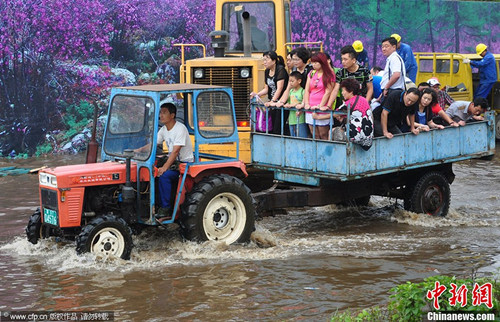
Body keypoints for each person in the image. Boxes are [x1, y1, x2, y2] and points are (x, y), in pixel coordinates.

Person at [136, 103, 194, 219]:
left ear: (172, 115)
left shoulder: (180, 129)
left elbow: (175, 151)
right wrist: (138, 150)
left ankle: (166, 209)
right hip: (173, 163)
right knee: (152, 173)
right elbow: (153, 144)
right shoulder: (163, 129)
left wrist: (164, 168)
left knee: (164, 175)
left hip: (184, 165)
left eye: (164, 112)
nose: (161, 115)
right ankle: (155, 205)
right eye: (160, 112)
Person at [250, 51, 289, 135]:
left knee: (277, 128)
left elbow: (280, 88)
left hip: (280, 102)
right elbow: (267, 88)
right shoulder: (267, 71)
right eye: (263, 60)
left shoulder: (280, 69)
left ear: (274, 61)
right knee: (271, 127)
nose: (264, 62)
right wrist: (257, 94)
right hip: (272, 103)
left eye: (266, 60)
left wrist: (273, 101)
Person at [326, 45, 373, 111]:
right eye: (342, 59)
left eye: (345, 59)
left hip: (363, 106)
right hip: (347, 106)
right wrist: (328, 106)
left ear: (353, 60)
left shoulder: (365, 71)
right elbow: (335, 90)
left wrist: (365, 103)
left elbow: (370, 89)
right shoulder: (340, 73)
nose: (343, 62)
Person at [303, 52, 335, 140]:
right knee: (314, 134)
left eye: (316, 62)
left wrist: (321, 106)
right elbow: (307, 90)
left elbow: (328, 91)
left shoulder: (329, 74)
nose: (313, 65)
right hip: (310, 108)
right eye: (312, 62)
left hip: (322, 108)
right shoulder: (311, 73)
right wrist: (306, 103)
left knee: (323, 134)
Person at [336, 78, 373, 150]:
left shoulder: (348, 103)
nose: (342, 93)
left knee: (333, 131)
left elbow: (334, 114)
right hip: (368, 138)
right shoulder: (364, 99)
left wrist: (317, 117)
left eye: (343, 90)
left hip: (356, 136)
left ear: (350, 91)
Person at [283, 71, 307, 138]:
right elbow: (288, 101)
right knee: (293, 138)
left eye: (292, 81)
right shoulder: (290, 91)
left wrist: (294, 105)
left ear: (299, 81)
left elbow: (304, 103)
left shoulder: (303, 91)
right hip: (291, 119)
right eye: (289, 81)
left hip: (300, 119)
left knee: (302, 138)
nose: (290, 83)